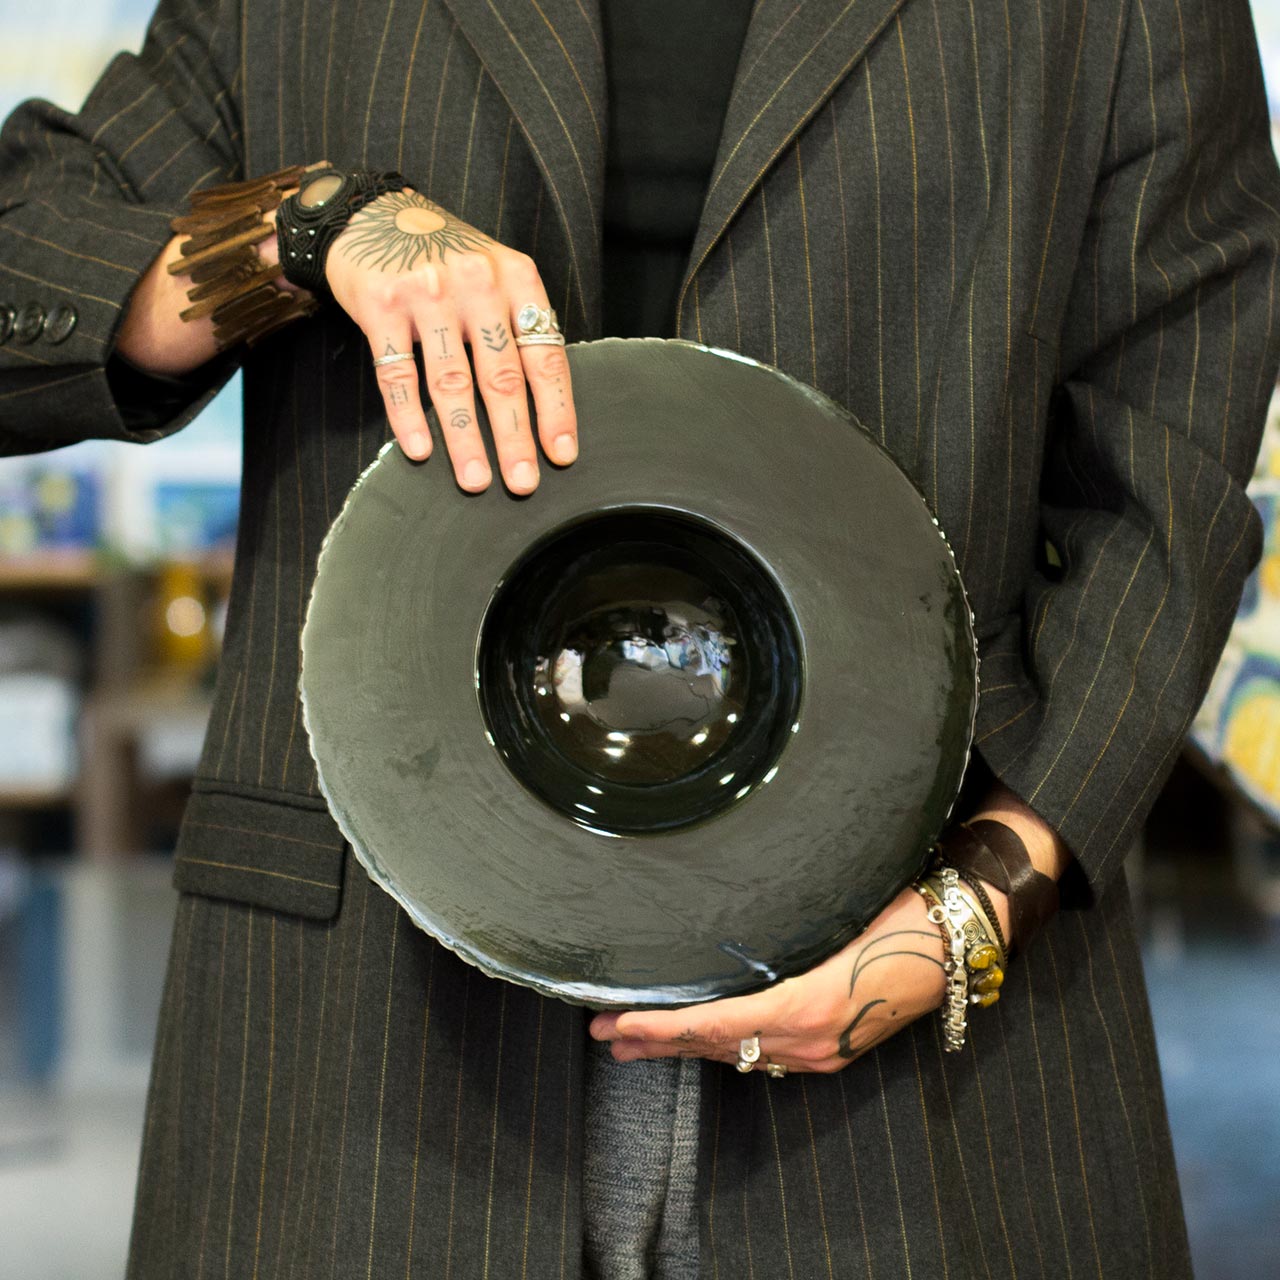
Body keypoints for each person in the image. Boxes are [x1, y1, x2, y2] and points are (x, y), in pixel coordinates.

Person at [2, 0, 1277, 1276]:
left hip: (912, 999)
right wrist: (305, 227)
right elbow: (25, 253)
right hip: (368, 1017)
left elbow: (1171, 455)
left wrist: (986, 895)